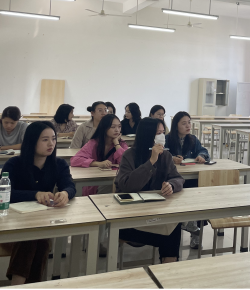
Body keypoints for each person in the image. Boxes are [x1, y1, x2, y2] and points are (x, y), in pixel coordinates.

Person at [0, 121, 75, 285]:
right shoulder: (14, 164)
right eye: (45, 140)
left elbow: (70, 186)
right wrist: (35, 194)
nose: (51, 144)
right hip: (10, 227)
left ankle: (18, 284)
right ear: (32, 141)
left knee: (37, 237)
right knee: (33, 237)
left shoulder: (59, 164)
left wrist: (65, 193)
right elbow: (5, 194)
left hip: (40, 223)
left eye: (53, 139)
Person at [115, 117, 184, 264]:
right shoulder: (129, 155)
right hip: (131, 217)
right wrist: (151, 161)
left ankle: (169, 264)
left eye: (163, 132)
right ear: (147, 135)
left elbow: (178, 178)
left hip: (156, 213)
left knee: (174, 225)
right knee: (170, 235)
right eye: (158, 133)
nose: (162, 136)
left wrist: (171, 185)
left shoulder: (166, 156)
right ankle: (169, 263)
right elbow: (127, 186)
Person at [165, 111, 209, 248]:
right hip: (173, 178)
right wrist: (171, 158)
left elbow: (203, 150)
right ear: (176, 125)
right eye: (184, 123)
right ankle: (187, 223)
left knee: (199, 191)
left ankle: (194, 229)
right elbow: (161, 153)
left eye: (189, 122)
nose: (188, 126)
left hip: (190, 176)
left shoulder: (193, 139)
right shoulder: (167, 139)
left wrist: (201, 156)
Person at [71, 114, 129, 195]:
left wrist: (116, 143)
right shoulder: (94, 143)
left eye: (119, 127)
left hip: (114, 179)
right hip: (95, 181)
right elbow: (75, 160)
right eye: (113, 127)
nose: (117, 130)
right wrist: (98, 163)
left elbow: (126, 162)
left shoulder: (121, 144)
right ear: (104, 128)